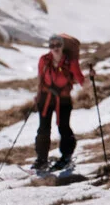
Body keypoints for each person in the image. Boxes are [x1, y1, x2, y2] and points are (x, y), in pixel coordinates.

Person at [33, 34, 84, 172]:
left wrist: (90, 78)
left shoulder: (70, 62)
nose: (55, 48)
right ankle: (41, 159)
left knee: (64, 127)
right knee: (43, 128)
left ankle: (66, 157)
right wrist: (38, 95)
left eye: (58, 45)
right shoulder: (44, 60)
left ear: (63, 46)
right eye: (52, 45)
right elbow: (40, 78)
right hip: (46, 98)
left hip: (63, 99)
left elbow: (80, 78)